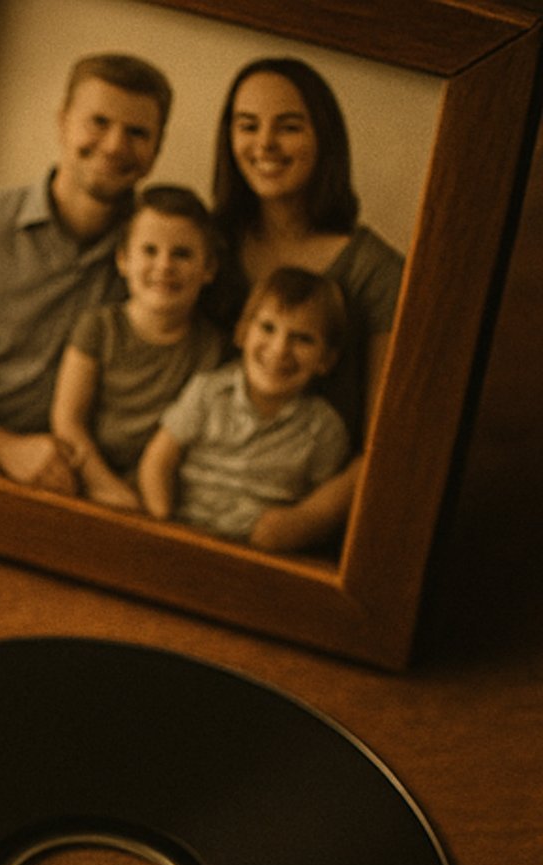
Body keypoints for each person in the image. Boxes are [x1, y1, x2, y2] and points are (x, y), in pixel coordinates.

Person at [0, 52, 172, 495]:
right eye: (98, 122)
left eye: (138, 133)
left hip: (80, 486)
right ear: (63, 121)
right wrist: (6, 450)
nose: (114, 146)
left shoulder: (162, 262)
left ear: (157, 150)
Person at [207, 56, 402, 544]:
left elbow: (386, 444)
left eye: (289, 127)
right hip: (191, 500)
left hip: (297, 527)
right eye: (247, 126)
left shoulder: (376, 269)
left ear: (325, 140)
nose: (265, 144)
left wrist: (301, 523)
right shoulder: (206, 245)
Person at [138, 266, 349, 545]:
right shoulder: (208, 391)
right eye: (267, 328)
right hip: (183, 532)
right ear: (242, 333)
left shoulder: (324, 428)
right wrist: (161, 522)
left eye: (303, 339)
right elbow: (158, 460)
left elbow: (319, 512)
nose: (279, 349)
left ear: (326, 360)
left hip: (256, 556)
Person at [49, 185, 225, 509]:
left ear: (209, 268)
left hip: (162, 491)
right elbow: (67, 420)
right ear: (123, 260)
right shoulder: (99, 328)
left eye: (182, 254)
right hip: (89, 474)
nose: (164, 266)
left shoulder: (209, 346)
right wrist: (109, 488)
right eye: (149, 251)